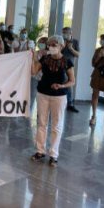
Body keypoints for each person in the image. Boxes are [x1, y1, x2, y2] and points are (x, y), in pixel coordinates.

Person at [31, 35, 75, 167]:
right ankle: (40, 151)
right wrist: (34, 57)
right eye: (50, 45)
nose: (51, 47)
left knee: (56, 125)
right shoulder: (45, 58)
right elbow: (33, 71)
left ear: (61, 46)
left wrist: (61, 86)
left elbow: (72, 81)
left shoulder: (67, 62)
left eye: (54, 45)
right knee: (41, 123)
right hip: (42, 93)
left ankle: (53, 155)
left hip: (59, 96)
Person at [62, 27, 80, 113]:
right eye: (63, 32)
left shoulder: (75, 42)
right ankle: (64, 101)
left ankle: (70, 103)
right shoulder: (61, 40)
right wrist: (63, 47)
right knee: (63, 81)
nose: (64, 34)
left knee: (69, 83)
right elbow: (57, 51)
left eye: (66, 32)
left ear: (70, 33)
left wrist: (71, 48)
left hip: (70, 66)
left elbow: (78, 54)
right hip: (60, 64)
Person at [89, 34, 104, 126]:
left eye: (103, 39)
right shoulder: (98, 50)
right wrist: (99, 56)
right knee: (95, 95)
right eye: (101, 39)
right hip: (97, 75)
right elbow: (93, 63)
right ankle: (94, 116)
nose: (101, 41)